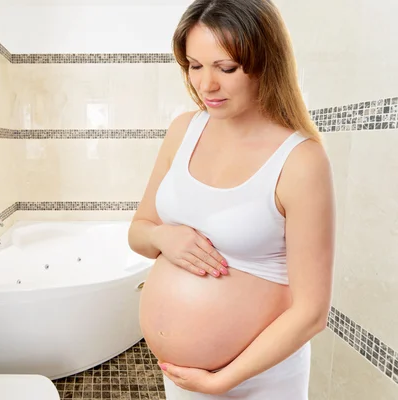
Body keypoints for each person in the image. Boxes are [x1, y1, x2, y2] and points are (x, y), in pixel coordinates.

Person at [128, 0, 335, 398]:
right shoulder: (183, 130)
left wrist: (222, 381)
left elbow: (312, 313)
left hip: (258, 382)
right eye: (194, 65)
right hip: (181, 380)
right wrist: (163, 239)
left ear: (265, 63)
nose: (206, 85)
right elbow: (138, 232)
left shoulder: (300, 160)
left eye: (226, 68)